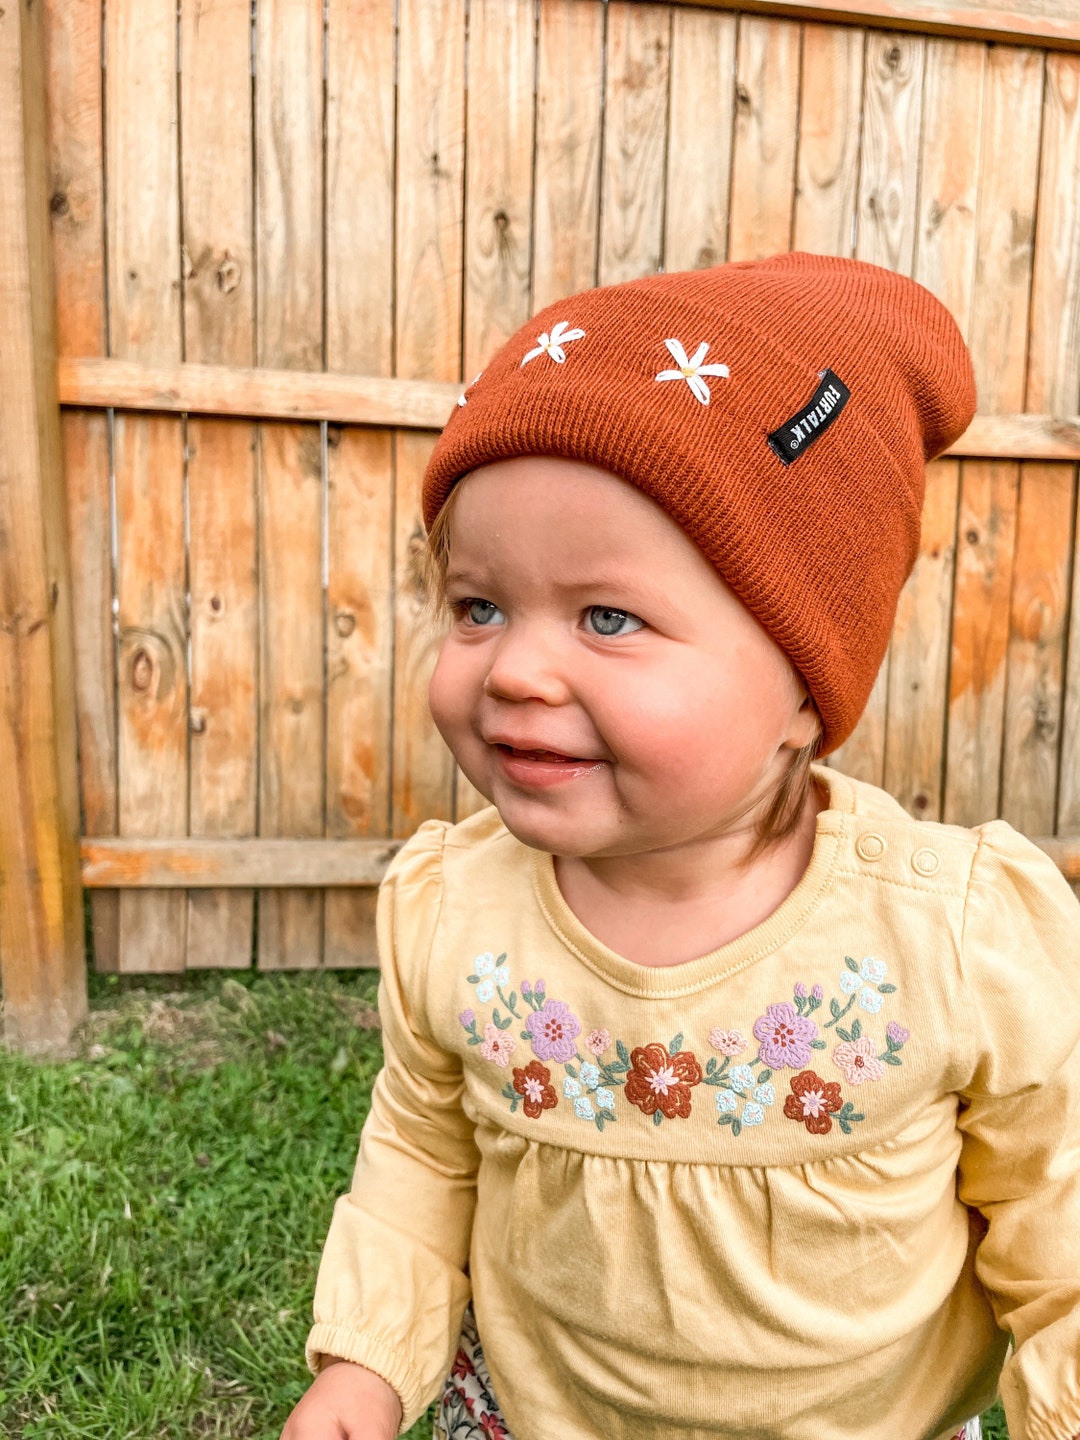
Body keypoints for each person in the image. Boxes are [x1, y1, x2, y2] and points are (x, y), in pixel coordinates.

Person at [281, 254, 1080, 1440]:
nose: (513, 669)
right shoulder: (458, 910)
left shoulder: (947, 936)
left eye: (609, 617)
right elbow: (423, 1146)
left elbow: (1052, 1206)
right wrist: (369, 1358)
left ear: (809, 685)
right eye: (476, 605)